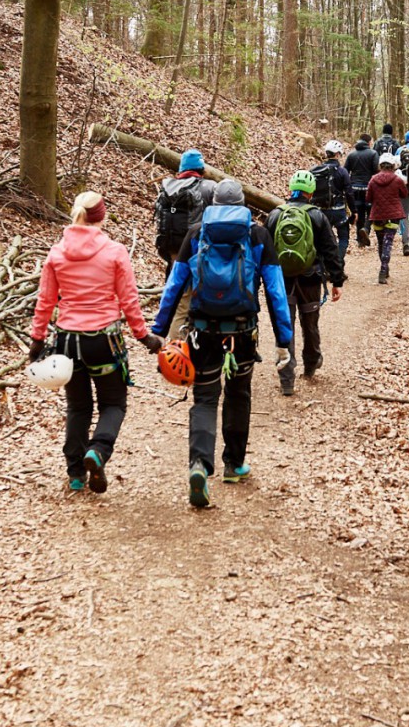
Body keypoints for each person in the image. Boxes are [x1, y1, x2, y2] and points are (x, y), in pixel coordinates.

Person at [151, 180, 293, 508]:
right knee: (239, 394)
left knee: (204, 398)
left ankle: (199, 464)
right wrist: (283, 339)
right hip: (243, 331)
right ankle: (234, 464)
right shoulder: (257, 234)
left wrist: (159, 329)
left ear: (213, 202)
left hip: (203, 330)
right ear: (242, 203)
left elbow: (175, 285)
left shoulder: (197, 232)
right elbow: (275, 291)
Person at [29, 191, 163, 493]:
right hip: (105, 342)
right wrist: (144, 337)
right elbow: (129, 301)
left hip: (67, 344)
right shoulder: (115, 252)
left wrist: (37, 340)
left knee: (78, 407)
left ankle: (76, 473)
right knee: (113, 404)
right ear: (101, 217)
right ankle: (98, 451)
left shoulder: (56, 253)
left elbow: (45, 301)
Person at [266, 171, 346, 396]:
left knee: (285, 325)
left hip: (282, 280)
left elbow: (264, 250)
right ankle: (311, 365)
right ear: (311, 192)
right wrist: (337, 280)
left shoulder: (275, 215)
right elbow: (331, 250)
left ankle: (286, 379)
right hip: (310, 278)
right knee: (309, 323)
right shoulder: (317, 215)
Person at [154, 149, 215, 274]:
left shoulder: (167, 187)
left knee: (174, 279)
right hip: (194, 247)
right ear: (201, 168)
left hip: (169, 244)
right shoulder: (210, 187)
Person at [365, 153, 408, 283]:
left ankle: (385, 268)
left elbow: (368, 198)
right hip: (393, 216)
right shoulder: (397, 179)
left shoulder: (373, 179)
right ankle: (383, 270)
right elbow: (404, 194)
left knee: (381, 243)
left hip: (377, 215)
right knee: (388, 243)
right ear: (393, 166)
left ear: (380, 165)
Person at [310, 141, 351, 258]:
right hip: (339, 211)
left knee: (321, 240)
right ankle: (337, 264)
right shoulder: (342, 171)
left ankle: (323, 268)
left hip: (320, 211)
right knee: (343, 238)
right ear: (337, 154)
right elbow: (349, 192)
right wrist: (354, 211)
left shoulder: (317, 170)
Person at [344, 135, 379, 248]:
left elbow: (345, 171)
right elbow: (376, 170)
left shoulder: (351, 154)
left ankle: (360, 241)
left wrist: (349, 184)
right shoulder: (373, 154)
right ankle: (366, 230)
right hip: (368, 188)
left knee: (358, 213)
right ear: (369, 142)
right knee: (371, 212)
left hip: (354, 188)